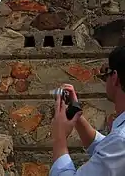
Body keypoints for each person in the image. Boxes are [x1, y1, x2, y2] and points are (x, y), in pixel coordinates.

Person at [50, 46, 125, 175]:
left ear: (115, 78)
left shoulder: (120, 140)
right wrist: (76, 112)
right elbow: (107, 151)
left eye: (106, 74)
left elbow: (114, 147)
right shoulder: (118, 143)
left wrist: (59, 138)